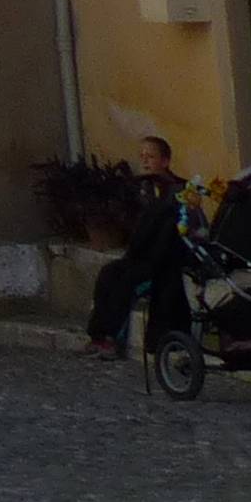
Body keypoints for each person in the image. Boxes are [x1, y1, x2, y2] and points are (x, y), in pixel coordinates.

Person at [84, 136, 193, 357]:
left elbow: (181, 227)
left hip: (165, 258)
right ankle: (99, 335)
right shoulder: (141, 189)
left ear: (165, 161)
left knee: (126, 282)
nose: (145, 161)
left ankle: (112, 338)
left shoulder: (180, 189)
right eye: (142, 156)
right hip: (139, 255)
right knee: (107, 274)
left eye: (150, 156)